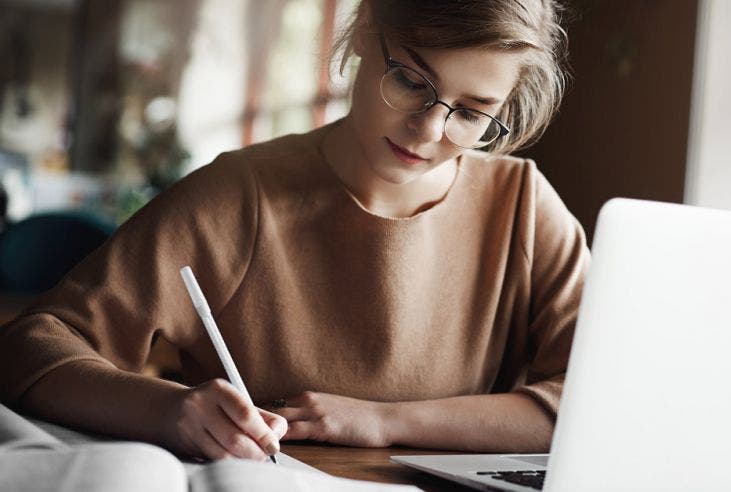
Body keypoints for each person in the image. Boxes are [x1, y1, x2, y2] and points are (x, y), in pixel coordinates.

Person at [0, 0, 589, 462]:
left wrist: (382, 421)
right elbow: (30, 348)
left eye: (471, 112)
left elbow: (594, 406)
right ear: (364, 30)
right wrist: (169, 410)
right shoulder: (239, 196)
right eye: (411, 80)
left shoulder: (524, 208)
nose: (429, 129)